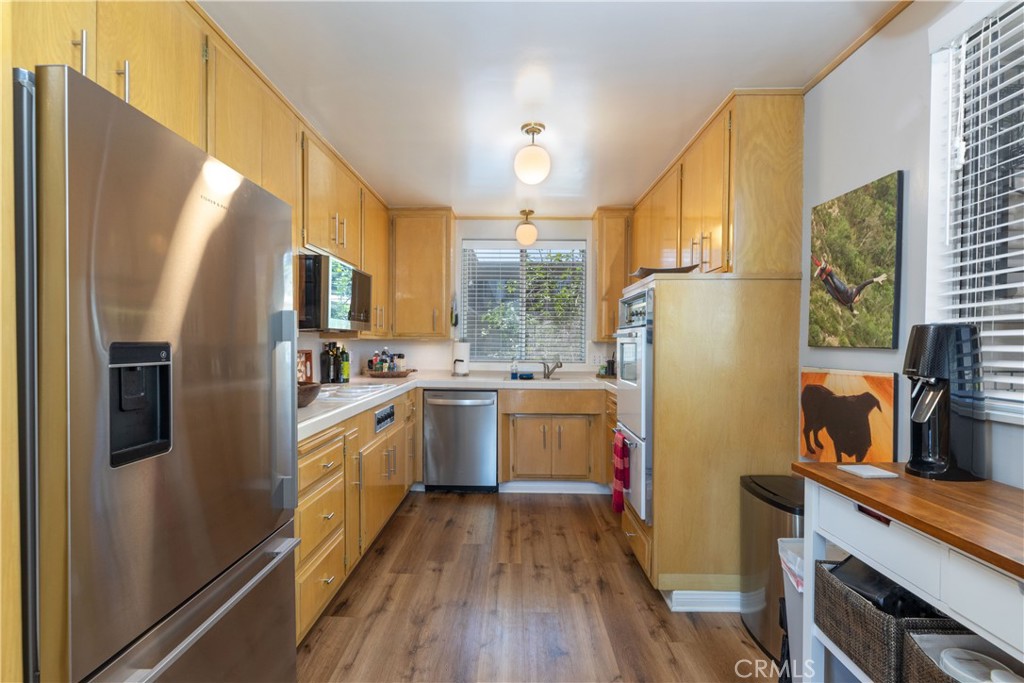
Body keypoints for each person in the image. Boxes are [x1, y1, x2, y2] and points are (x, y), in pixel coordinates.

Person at [812, 256, 887, 316]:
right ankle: (824, 267)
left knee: (828, 285)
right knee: (834, 279)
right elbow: (865, 283)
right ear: (857, 296)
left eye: (856, 302)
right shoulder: (855, 292)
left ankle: (821, 273)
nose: (857, 301)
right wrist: (876, 279)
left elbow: (851, 307)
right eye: (858, 299)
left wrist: (853, 311)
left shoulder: (849, 303)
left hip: (836, 295)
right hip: (843, 290)